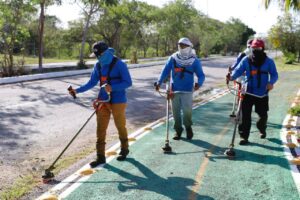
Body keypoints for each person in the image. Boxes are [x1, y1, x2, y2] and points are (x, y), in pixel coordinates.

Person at [69, 41, 132, 167]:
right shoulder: (98, 66)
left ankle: (124, 149)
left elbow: (128, 82)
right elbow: (91, 82)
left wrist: (112, 87)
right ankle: (100, 157)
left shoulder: (119, 64)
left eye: (99, 55)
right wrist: (77, 90)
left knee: (120, 126)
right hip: (103, 100)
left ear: (104, 53)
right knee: (100, 129)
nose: (97, 58)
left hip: (118, 101)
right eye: (96, 56)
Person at [227, 39, 278, 145]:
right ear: (250, 48)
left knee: (262, 116)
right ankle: (243, 137)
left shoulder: (269, 62)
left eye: (258, 48)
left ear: (262, 49)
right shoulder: (246, 60)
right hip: (248, 92)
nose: (255, 50)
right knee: (245, 116)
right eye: (253, 48)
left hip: (262, 94)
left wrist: (271, 82)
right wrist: (231, 77)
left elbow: (274, 75)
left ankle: (262, 129)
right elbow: (238, 70)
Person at [155, 37, 205, 140]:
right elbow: (165, 71)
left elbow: (201, 75)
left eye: (184, 46)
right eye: (180, 45)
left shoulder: (194, 60)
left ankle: (188, 127)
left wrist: (198, 83)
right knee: (175, 112)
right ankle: (178, 130)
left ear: (189, 47)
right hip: (174, 90)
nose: (181, 47)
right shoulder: (173, 58)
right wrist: (159, 82)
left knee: (187, 111)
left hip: (187, 90)